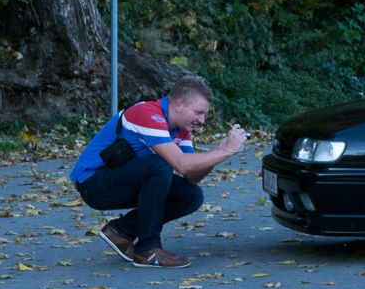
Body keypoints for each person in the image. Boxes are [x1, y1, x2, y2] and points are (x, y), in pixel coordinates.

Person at [68, 73, 249, 268]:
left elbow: (191, 176)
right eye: (198, 112)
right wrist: (226, 150)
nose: (202, 120)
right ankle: (147, 249)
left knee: (191, 195)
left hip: (118, 181)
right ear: (179, 104)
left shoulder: (181, 130)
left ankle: (121, 231)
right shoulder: (146, 113)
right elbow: (181, 163)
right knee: (159, 165)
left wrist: (221, 152)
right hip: (93, 184)